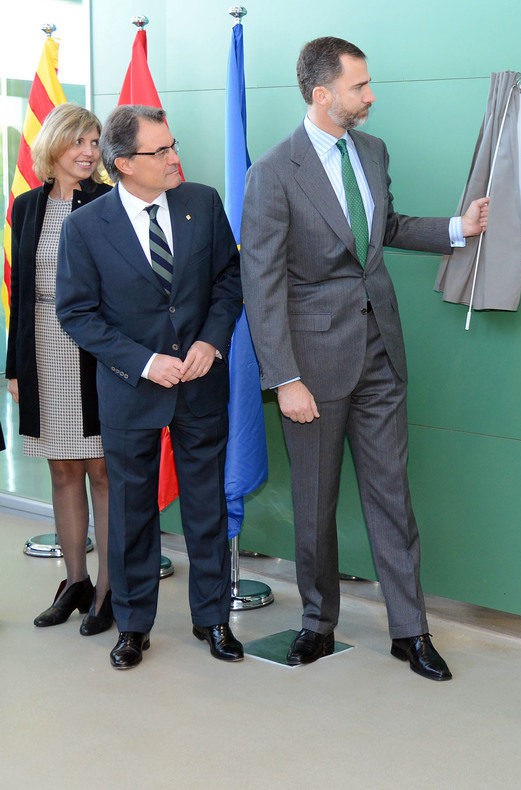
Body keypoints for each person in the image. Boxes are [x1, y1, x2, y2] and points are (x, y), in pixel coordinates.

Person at [240, 36, 488, 679]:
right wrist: (285, 378)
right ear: (323, 95)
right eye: (360, 87)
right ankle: (317, 623)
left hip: (381, 350)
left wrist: (458, 228)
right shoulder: (273, 171)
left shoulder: (372, 152)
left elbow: (385, 227)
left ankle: (411, 632)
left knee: (392, 498)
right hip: (312, 369)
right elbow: (260, 282)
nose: (371, 96)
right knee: (314, 505)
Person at [56, 104, 244, 670]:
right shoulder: (86, 227)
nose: (173, 158)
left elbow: (228, 280)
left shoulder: (203, 204)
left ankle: (212, 618)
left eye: (172, 145)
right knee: (133, 511)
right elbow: (78, 313)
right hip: (130, 389)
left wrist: (212, 343)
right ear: (122, 165)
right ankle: (133, 623)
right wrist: (142, 363)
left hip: (200, 384)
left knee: (206, 505)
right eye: (159, 151)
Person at [6, 103, 113, 635]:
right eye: (80, 142)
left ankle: (111, 591)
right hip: (43, 346)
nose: (90, 153)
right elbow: (18, 291)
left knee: (101, 469)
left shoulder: (110, 202)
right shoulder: (24, 208)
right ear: (54, 146)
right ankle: (75, 582)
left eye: (95, 143)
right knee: (62, 468)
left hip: (96, 349)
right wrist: (14, 366)